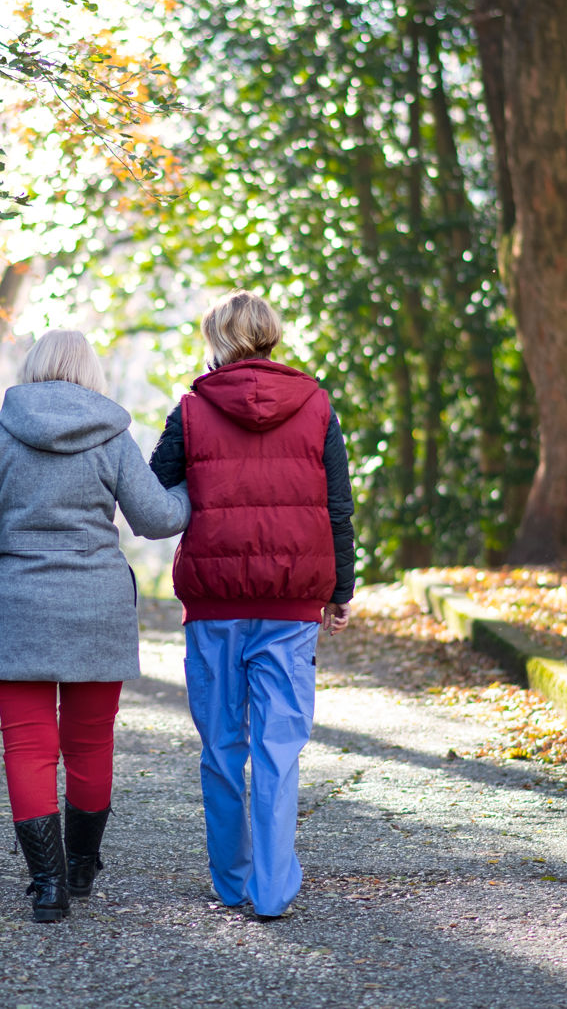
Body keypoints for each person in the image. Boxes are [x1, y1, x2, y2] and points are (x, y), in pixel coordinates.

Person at [0, 329, 190, 923]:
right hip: (97, 611)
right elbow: (156, 519)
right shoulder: (111, 437)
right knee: (90, 744)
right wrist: (195, 490)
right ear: (91, 373)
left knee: (27, 751)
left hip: (16, 610)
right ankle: (81, 866)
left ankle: (47, 885)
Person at [149, 290, 355, 920]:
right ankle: (270, 891)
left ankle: (232, 882)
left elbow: (156, 488)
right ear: (270, 335)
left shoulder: (191, 409)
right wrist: (339, 590)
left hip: (214, 604)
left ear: (217, 338)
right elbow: (338, 506)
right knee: (277, 746)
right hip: (292, 604)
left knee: (220, 748)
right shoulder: (316, 405)